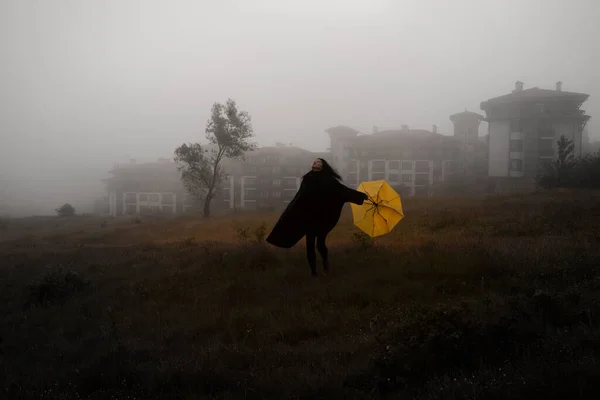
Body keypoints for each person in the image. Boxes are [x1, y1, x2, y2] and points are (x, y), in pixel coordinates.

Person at [266, 158, 368, 277]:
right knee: (309, 244)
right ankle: (313, 272)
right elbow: (300, 197)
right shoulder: (307, 178)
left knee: (320, 243)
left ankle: (325, 263)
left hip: (322, 217)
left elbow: (342, 191)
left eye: (318, 161)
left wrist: (360, 196)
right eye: (314, 161)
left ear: (323, 165)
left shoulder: (329, 180)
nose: (315, 162)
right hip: (309, 216)